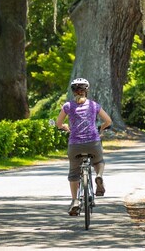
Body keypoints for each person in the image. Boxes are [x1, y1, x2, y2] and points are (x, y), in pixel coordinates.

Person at [55, 77, 113, 216]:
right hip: (93, 142)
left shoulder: (67, 106)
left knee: (74, 173)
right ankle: (98, 176)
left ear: (73, 91)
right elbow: (108, 121)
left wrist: (64, 127)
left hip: (75, 144)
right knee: (99, 161)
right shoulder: (94, 105)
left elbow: (58, 124)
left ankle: (75, 201)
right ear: (86, 91)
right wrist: (101, 128)